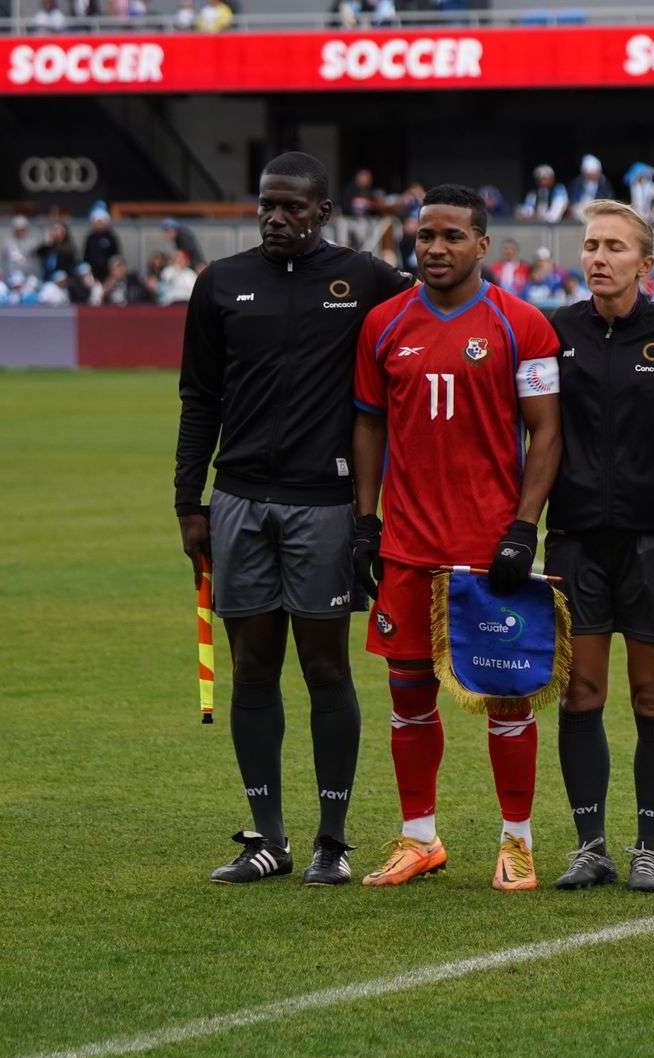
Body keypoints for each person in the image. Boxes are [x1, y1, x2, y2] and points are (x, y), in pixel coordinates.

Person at [174, 151, 414, 886]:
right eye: (267, 206)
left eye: (292, 208)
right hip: (240, 498)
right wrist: (189, 502)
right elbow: (199, 400)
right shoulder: (221, 283)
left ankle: (332, 841)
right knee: (253, 668)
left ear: (324, 211)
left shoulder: (368, 280)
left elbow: (437, 309)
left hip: (325, 504)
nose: (276, 218)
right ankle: (267, 838)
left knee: (326, 668)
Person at [350, 184, 562, 892]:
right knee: (408, 694)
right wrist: (365, 519)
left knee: (508, 699)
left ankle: (518, 842)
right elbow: (370, 423)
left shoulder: (520, 324)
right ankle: (419, 838)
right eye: (424, 237)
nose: (435, 249)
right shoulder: (383, 323)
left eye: (450, 237)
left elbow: (547, 431)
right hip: (408, 547)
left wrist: (522, 528)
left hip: (486, 550)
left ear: (481, 244)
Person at [543, 201, 654, 893]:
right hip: (574, 542)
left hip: (651, 542)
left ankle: (649, 848)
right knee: (581, 694)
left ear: (645, 262)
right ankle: (590, 845)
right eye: (591, 246)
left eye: (614, 247)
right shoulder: (555, 332)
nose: (599, 258)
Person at [568, 155, 615, 220]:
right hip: (580, 211)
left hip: (597, 210)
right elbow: (573, 199)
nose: (594, 175)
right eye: (591, 173)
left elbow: (608, 200)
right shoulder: (577, 182)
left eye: (596, 172)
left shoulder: (604, 183)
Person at [82, 206, 122, 282]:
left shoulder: (111, 237)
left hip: (108, 274)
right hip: (93, 274)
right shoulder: (90, 238)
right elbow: (86, 255)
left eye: (101, 221)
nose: (99, 224)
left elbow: (116, 255)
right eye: (97, 222)